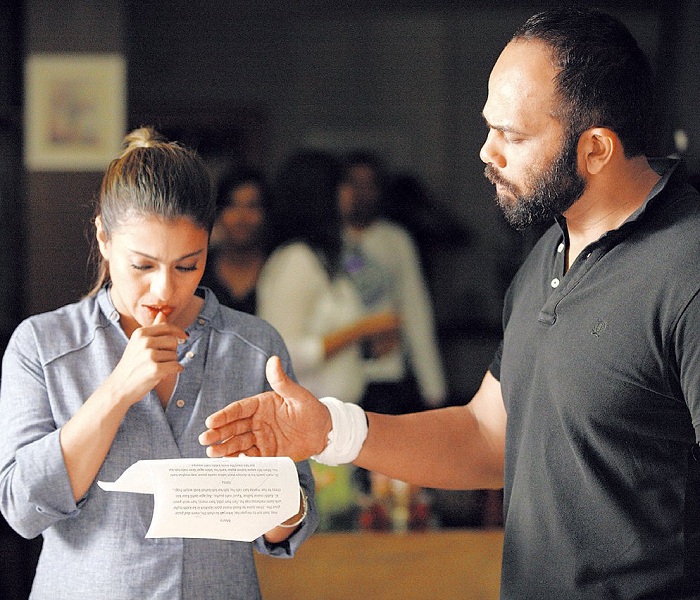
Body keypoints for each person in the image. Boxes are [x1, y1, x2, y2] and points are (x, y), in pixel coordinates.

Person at [199, 7, 700, 598]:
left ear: (595, 150)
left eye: (512, 136)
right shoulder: (549, 256)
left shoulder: (685, 268)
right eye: (489, 127)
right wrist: (330, 429)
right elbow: (488, 437)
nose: (486, 153)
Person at [0, 127, 318, 600]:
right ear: (104, 239)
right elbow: (23, 510)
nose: (165, 291)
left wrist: (277, 490)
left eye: (187, 266)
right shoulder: (43, 346)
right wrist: (117, 391)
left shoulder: (255, 346)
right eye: (143, 266)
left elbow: (287, 531)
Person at [256, 148, 401, 407]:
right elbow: (282, 354)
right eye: (343, 184)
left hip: (341, 414)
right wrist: (360, 330)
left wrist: (370, 346)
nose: (350, 194)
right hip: (308, 417)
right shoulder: (296, 259)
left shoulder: (326, 258)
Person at [340, 151, 447, 414]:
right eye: (354, 183)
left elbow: (415, 310)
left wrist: (434, 389)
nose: (361, 193)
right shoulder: (325, 242)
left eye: (369, 184)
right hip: (336, 375)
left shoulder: (396, 240)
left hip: (386, 375)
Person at [200, 166, 270, 315]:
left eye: (252, 206)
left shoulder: (278, 268)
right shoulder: (199, 269)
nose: (241, 217)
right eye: (232, 205)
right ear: (218, 213)